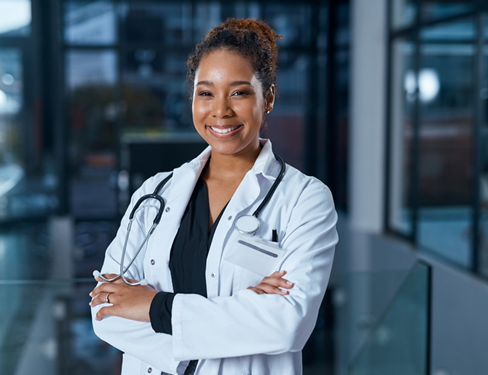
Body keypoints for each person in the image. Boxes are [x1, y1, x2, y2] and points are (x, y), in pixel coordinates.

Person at [90, 18, 338, 375]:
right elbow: (105, 309)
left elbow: (287, 324)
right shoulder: (154, 193)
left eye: (239, 92)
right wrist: (245, 312)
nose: (220, 110)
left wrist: (153, 307)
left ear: (267, 98)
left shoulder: (305, 199)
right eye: (205, 93)